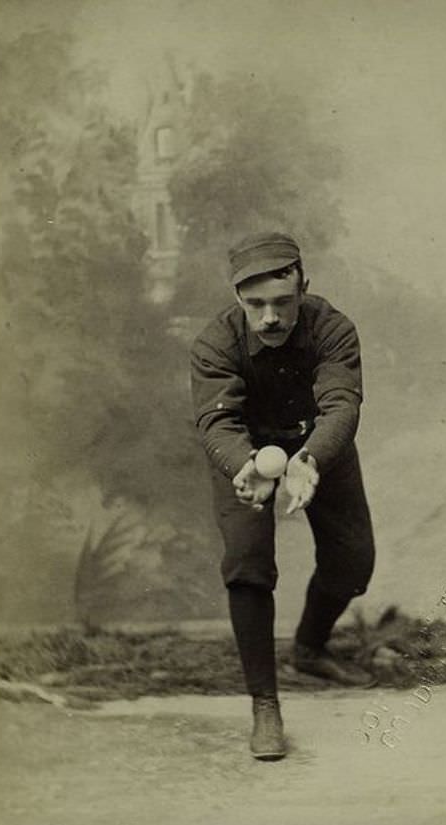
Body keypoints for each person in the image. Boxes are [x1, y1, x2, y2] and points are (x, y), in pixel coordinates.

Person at [190, 231, 376, 760]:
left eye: (282, 302)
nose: (269, 317)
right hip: (243, 456)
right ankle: (264, 705)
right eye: (255, 305)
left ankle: (311, 649)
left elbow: (341, 404)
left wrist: (311, 459)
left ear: (304, 289)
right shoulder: (214, 343)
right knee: (248, 564)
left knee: (353, 561)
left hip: (317, 446)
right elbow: (215, 420)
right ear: (237, 299)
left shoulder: (333, 328)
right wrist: (246, 465)